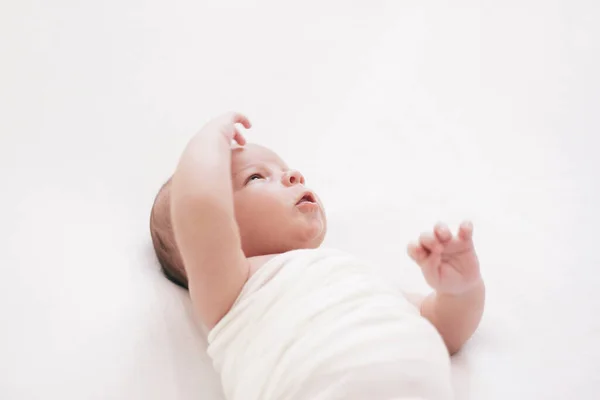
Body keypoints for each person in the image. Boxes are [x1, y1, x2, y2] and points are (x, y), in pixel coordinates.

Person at [150, 112, 485, 400]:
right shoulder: (233, 287)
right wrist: (207, 139)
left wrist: (460, 291)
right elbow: (200, 208)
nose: (293, 176)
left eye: (286, 170)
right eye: (255, 176)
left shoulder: (352, 274)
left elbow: (443, 329)